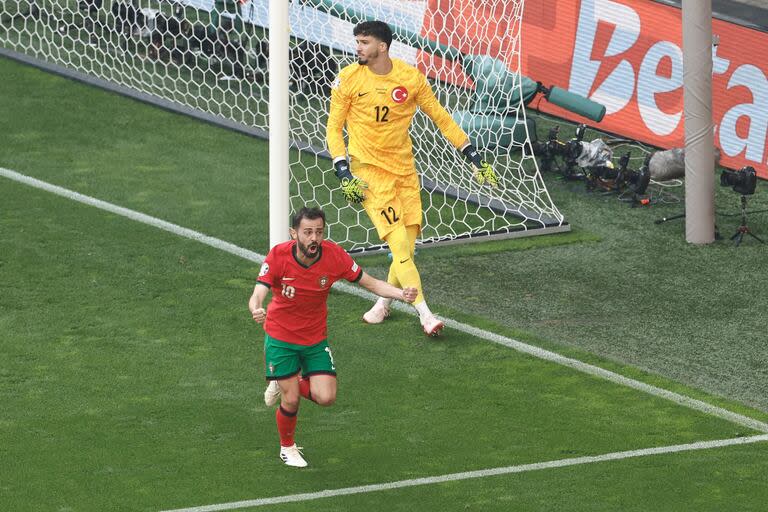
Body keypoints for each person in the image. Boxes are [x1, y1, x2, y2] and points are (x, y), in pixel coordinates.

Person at [326, 20, 498, 337]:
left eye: (364, 42)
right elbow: (334, 129)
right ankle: (425, 314)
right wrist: (343, 171)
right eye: (357, 42)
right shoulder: (348, 79)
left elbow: (442, 119)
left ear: (382, 46)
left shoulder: (410, 79)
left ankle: (382, 305)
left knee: (407, 245)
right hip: (368, 174)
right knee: (399, 248)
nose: (358, 47)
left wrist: (473, 156)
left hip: (405, 171)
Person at [248, 207, 417, 468]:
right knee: (291, 399)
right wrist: (256, 307)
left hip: (315, 339)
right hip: (280, 336)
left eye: (319, 232)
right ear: (294, 233)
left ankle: (283, 381)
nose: (314, 238)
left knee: (326, 397)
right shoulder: (279, 255)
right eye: (307, 232)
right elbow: (259, 291)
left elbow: (370, 282)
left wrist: (399, 294)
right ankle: (287, 447)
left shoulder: (334, 256)